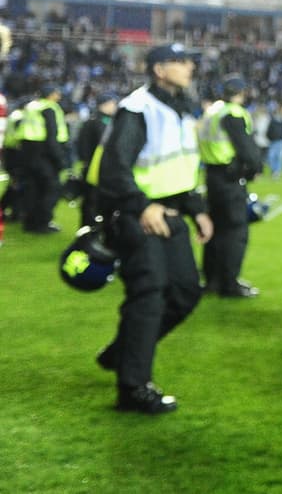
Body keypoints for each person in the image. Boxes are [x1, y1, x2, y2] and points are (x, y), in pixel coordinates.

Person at [94, 43, 211, 414]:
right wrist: (142, 205)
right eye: (180, 61)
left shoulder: (178, 109)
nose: (189, 67)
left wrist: (197, 209)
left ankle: (123, 352)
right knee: (149, 295)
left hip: (172, 214)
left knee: (186, 292)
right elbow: (113, 171)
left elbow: (179, 168)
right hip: (139, 217)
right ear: (159, 69)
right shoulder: (137, 108)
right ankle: (133, 388)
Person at [197, 74, 263, 297]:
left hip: (212, 176)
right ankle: (229, 283)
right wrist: (253, 169)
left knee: (214, 230)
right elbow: (247, 149)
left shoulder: (212, 111)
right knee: (235, 232)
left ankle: (212, 280)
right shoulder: (233, 113)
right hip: (229, 178)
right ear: (242, 93)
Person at [19, 83, 70, 233]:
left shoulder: (31, 106)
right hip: (44, 154)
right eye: (57, 93)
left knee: (33, 188)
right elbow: (51, 137)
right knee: (51, 189)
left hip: (28, 151)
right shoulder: (49, 108)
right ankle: (42, 222)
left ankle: (30, 222)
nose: (59, 96)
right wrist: (60, 160)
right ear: (51, 94)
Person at [75, 92, 118, 228]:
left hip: (104, 167)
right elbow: (83, 144)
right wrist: (86, 161)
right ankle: (88, 227)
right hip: (93, 167)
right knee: (91, 199)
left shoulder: (109, 121)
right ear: (104, 105)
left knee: (100, 199)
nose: (115, 106)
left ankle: (98, 226)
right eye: (112, 103)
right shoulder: (93, 122)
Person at [266, 104, 282, 178]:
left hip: (280, 141)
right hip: (273, 141)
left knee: (279, 157)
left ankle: (277, 171)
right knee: (271, 156)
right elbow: (269, 131)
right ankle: (274, 170)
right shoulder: (273, 122)